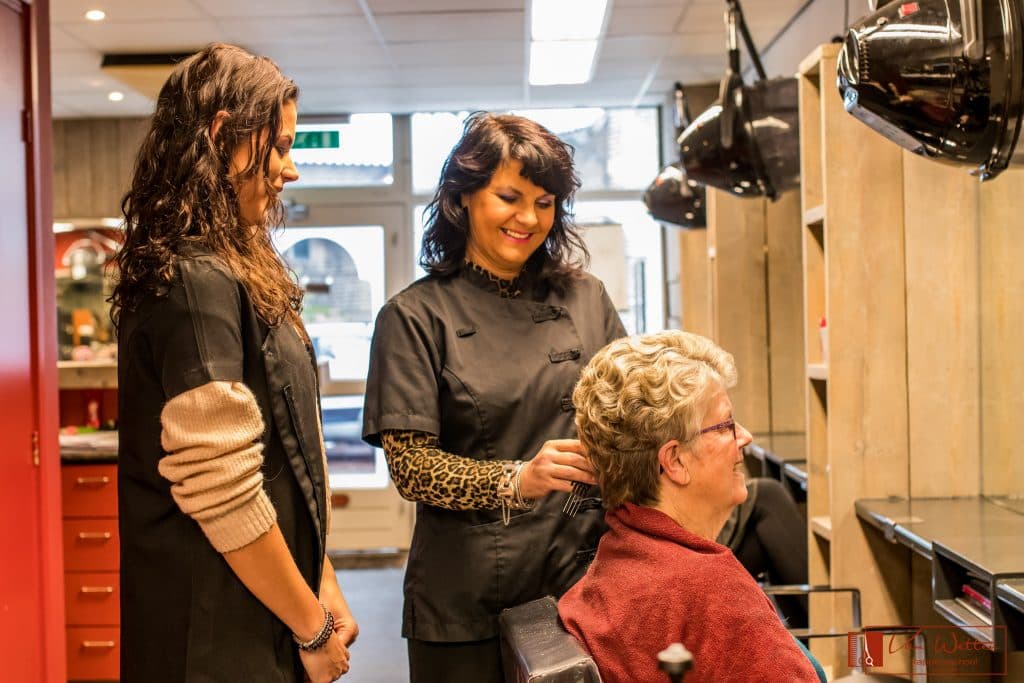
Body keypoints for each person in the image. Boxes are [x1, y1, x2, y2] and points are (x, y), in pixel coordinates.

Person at [111, 43, 356, 683]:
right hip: (214, 632)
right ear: (225, 136)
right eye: (277, 146)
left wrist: (321, 573)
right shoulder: (193, 279)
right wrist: (314, 624)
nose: (290, 169)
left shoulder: (237, 267)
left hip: (264, 604)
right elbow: (223, 489)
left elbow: (288, 451)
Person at [362, 112, 626, 682]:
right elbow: (412, 470)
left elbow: (628, 416)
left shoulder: (586, 298)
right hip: (466, 601)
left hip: (582, 584)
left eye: (545, 202)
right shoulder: (413, 317)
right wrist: (516, 479)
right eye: (509, 197)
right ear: (464, 197)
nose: (527, 218)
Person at [558, 331, 823, 683]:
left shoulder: (617, 562)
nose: (744, 436)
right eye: (727, 424)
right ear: (675, 460)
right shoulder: (710, 591)